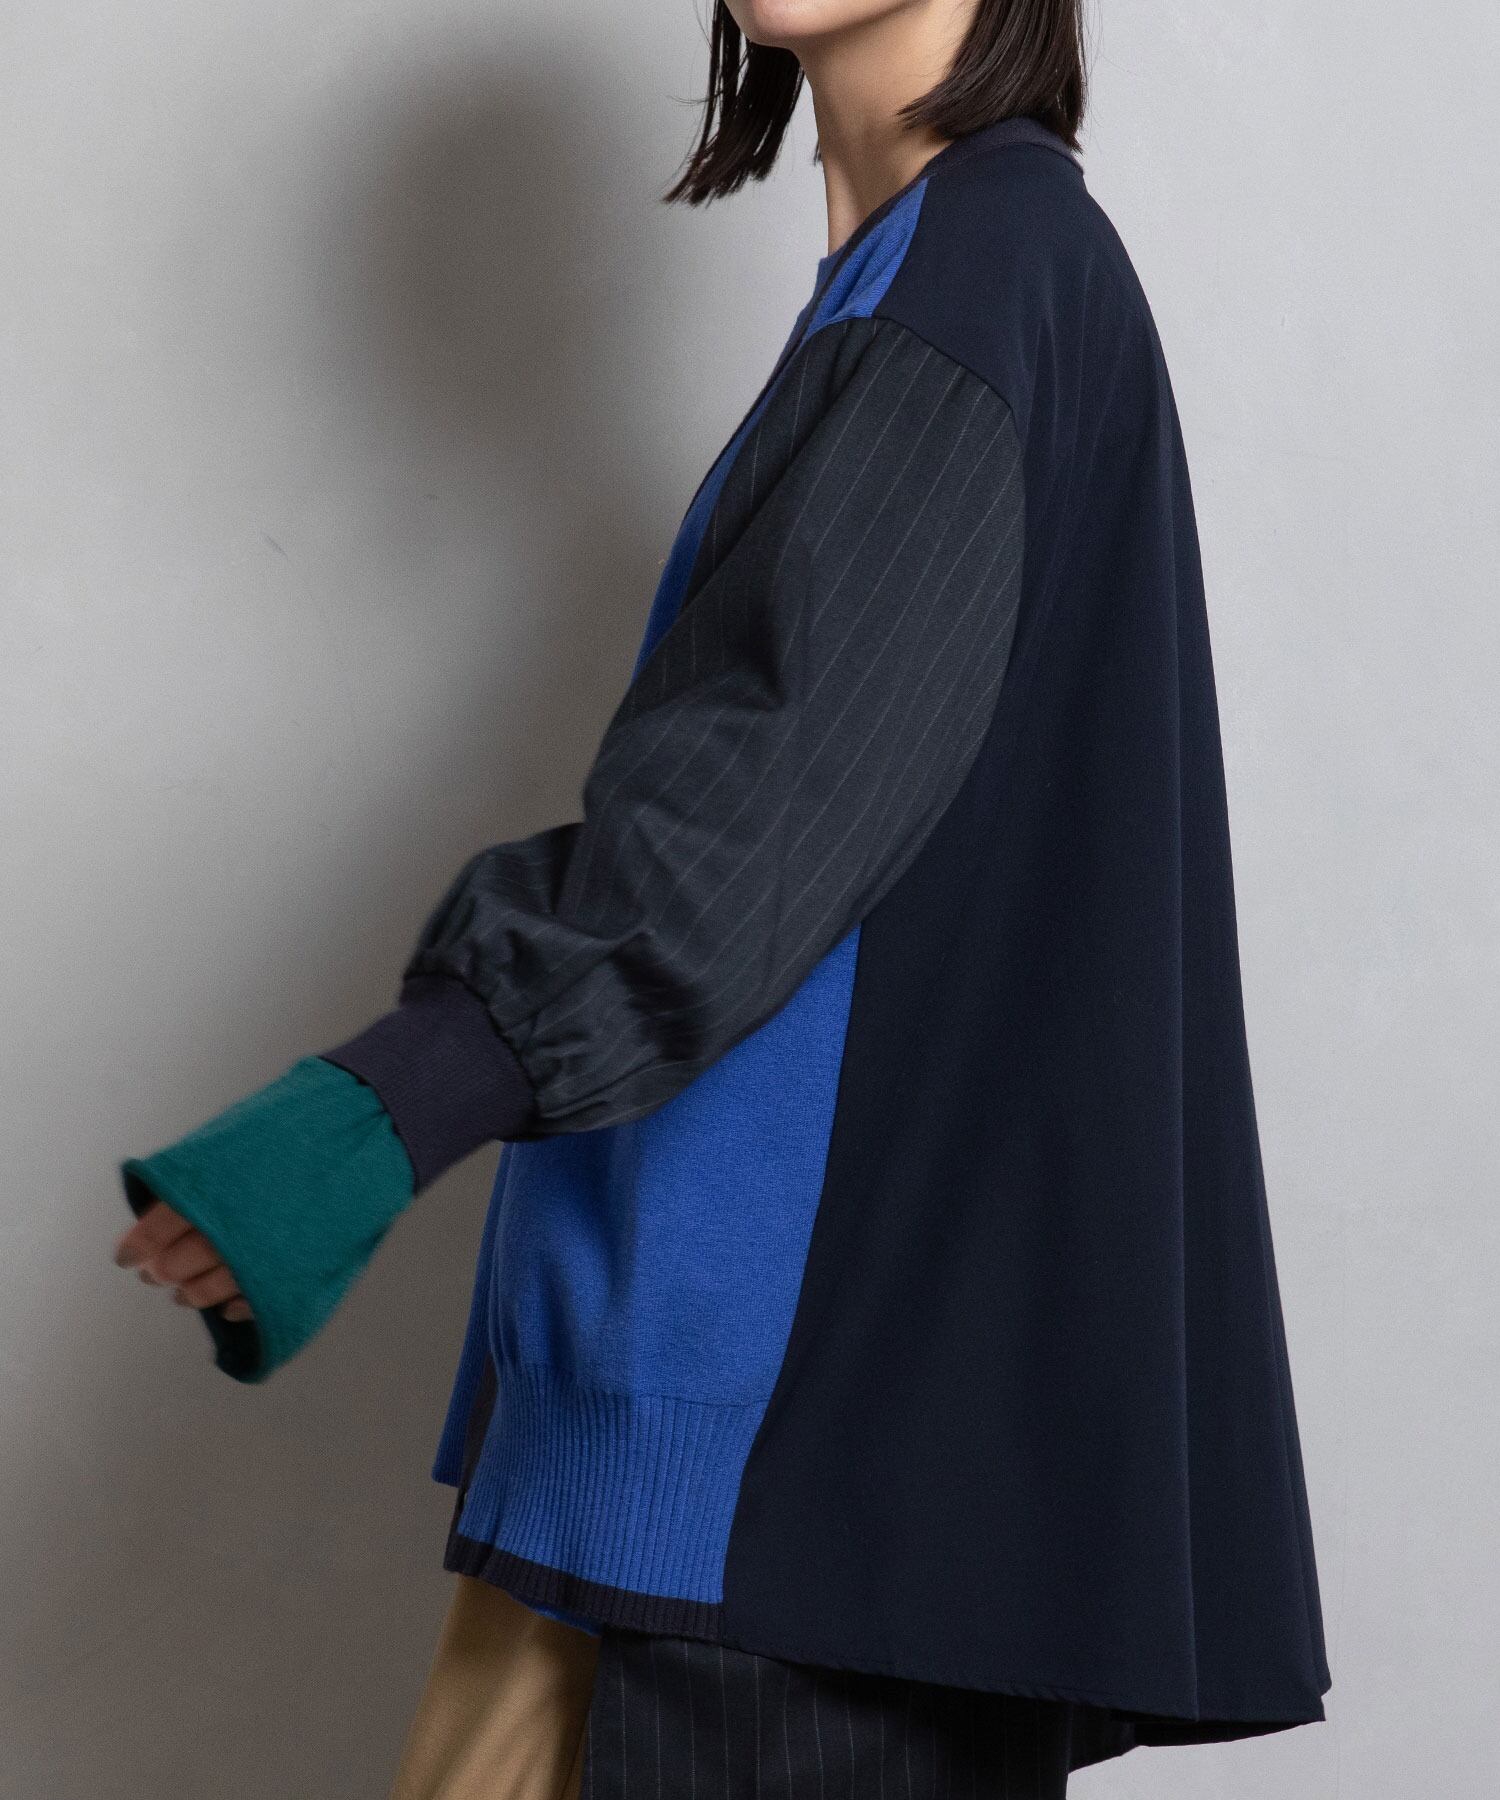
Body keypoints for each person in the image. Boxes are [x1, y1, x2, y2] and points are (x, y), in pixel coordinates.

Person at [112, 1, 1332, 1794]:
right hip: (685, 1474)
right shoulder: (917, 277)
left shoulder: (986, 283)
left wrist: (366, 1124)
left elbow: (755, 812)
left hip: (780, 1506)